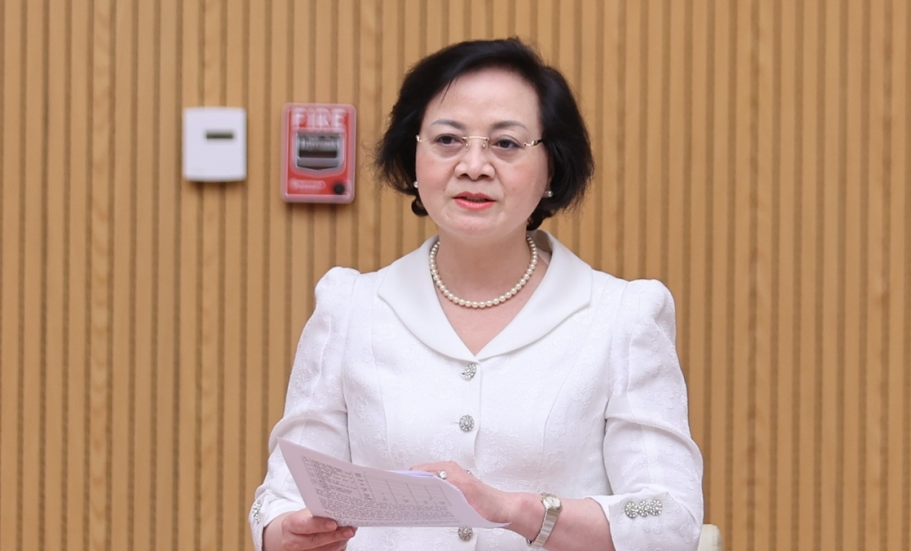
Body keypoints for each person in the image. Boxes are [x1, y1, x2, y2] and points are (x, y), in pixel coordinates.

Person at [249, 38, 703, 551]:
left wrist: (517, 511)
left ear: (552, 167)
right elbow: (281, 497)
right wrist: (284, 532)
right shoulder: (349, 307)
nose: (473, 165)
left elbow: (670, 517)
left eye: (506, 144)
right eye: (447, 140)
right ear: (413, 158)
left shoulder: (622, 316)